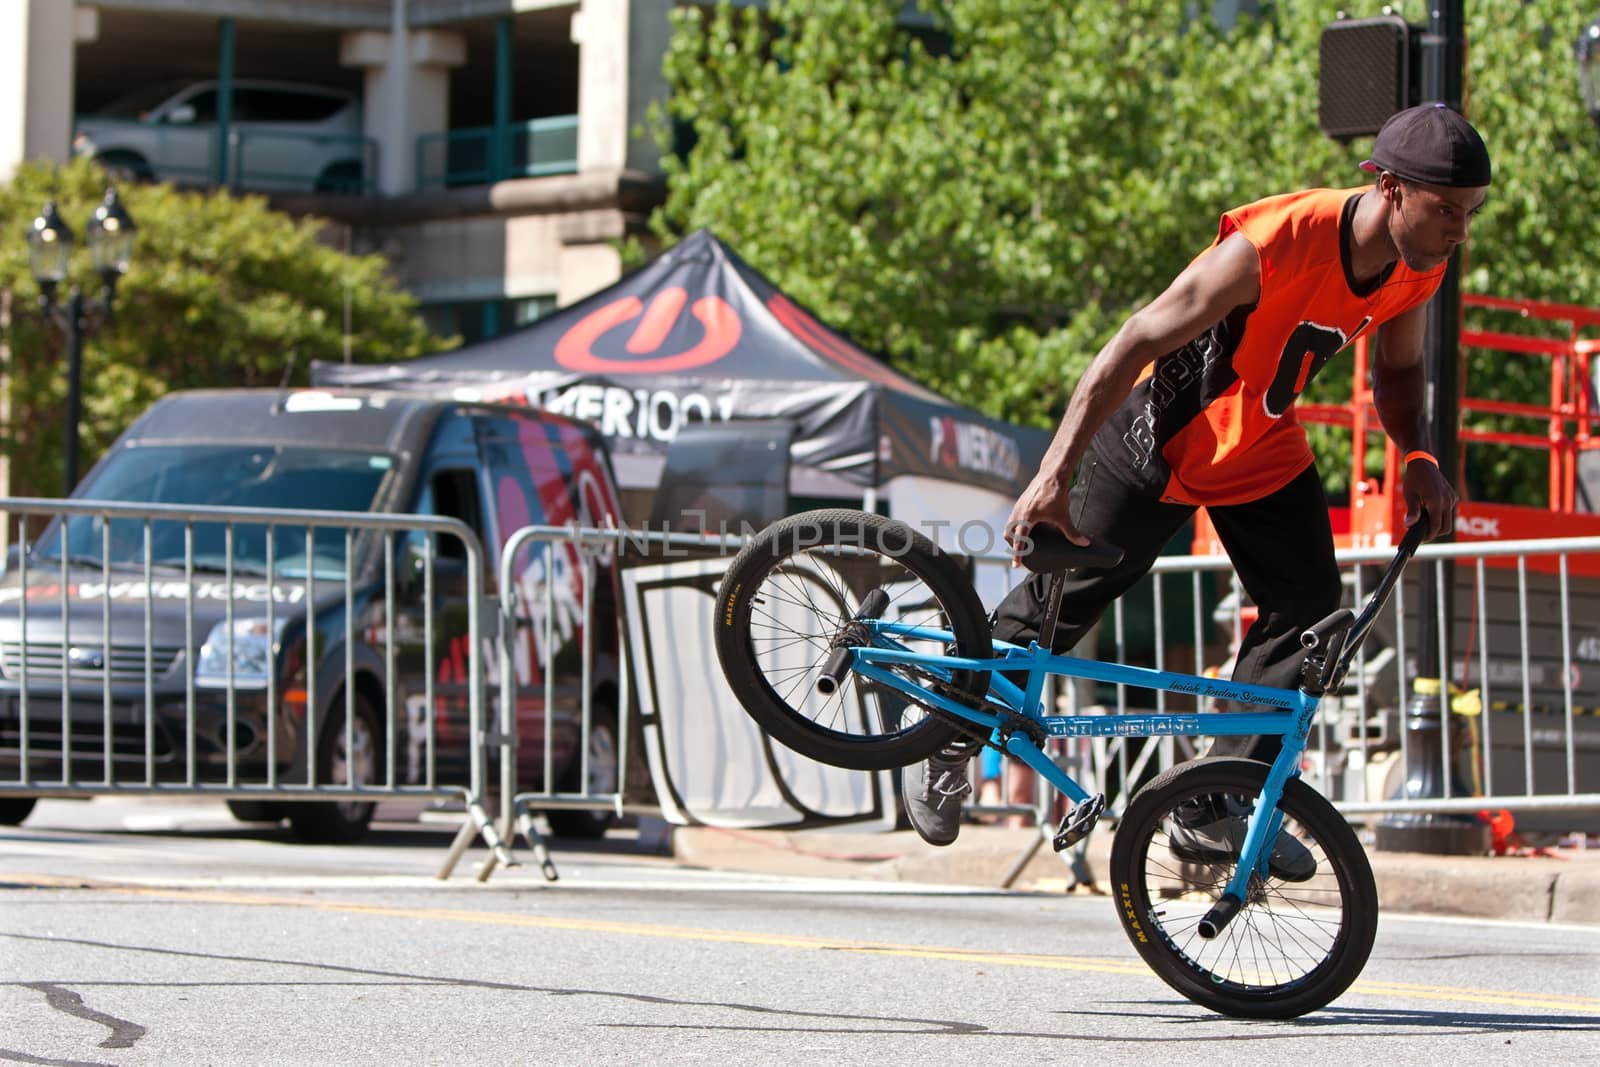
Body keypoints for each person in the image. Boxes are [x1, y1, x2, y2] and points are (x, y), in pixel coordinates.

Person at [902, 103, 1491, 874]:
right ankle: (950, 724)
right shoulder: (1275, 242)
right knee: (1064, 602)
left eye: (1470, 213)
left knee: (1311, 606)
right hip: (1160, 437)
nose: (1458, 230)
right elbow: (1137, 337)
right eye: (1445, 210)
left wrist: (1416, 453)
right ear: (1386, 186)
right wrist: (1054, 473)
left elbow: (1401, 368)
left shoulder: (1422, 266)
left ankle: (1213, 802)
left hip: (1259, 445)